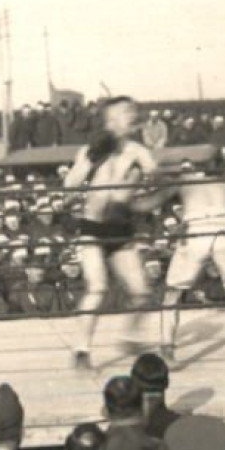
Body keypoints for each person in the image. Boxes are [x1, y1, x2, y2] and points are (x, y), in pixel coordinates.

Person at [133, 153, 225, 365]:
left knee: (172, 293)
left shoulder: (186, 181)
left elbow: (147, 204)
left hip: (197, 228)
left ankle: (167, 351)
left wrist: (119, 200)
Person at [62, 96, 161, 368]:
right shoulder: (90, 150)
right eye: (122, 113)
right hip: (92, 228)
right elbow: (69, 187)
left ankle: (129, 336)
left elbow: (156, 181)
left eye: (131, 111)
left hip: (121, 229)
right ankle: (81, 349)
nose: (129, 116)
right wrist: (90, 160)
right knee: (97, 287)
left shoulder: (138, 151)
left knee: (141, 292)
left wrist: (140, 179)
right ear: (109, 120)